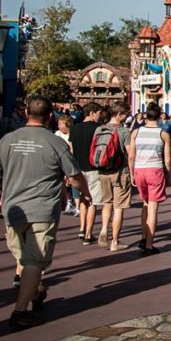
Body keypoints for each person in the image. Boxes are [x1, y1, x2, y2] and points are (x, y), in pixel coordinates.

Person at [0, 96, 91, 329]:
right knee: (34, 261)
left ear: (26, 113)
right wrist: (85, 194)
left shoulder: (8, 141)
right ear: (49, 117)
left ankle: (34, 292)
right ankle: (19, 311)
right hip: (42, 210)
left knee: (24, 259)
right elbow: (74, 176)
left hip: (14, 210)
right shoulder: (55, 143)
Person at [129, 102, 171, 255]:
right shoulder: (163, 134)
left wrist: (132, 173)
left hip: (139, 169)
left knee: (145, 204)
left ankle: (143, 236)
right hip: (155, 170)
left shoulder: (136, 133)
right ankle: (149, 244)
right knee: (153, 208)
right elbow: (167, 159)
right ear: (159, 117)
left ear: (146, 116)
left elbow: (131, 155)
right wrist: (168, 173)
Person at [97, 102, 134, 251]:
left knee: (107, 202)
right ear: (119, 115)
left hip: (103, 171)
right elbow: (130, 155)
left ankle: (104, 229)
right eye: (125, 114)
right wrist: (132, 173)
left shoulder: (100, 129)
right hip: (119, 171)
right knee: (119, 207)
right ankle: (115, 242)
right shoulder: (124, 131)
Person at [68, 101, 105, 245]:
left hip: (77, 169)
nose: (99, 116)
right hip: (93, 168)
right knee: (93, 201)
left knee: (83, 198)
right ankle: (88, 234)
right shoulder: (98, 129)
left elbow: (71, 150)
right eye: (98, 113)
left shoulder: (75, 129)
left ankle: (82, 227)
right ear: (92, 113)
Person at [54, 115, 78, 217]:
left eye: (61, 124)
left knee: (72, 182)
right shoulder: (57, 134)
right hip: (59, 162)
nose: (59, 126)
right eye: (58, 124)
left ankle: (76, 204)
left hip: (69, 160)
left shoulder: (72, 134)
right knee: (64, 184)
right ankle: (68, 201)